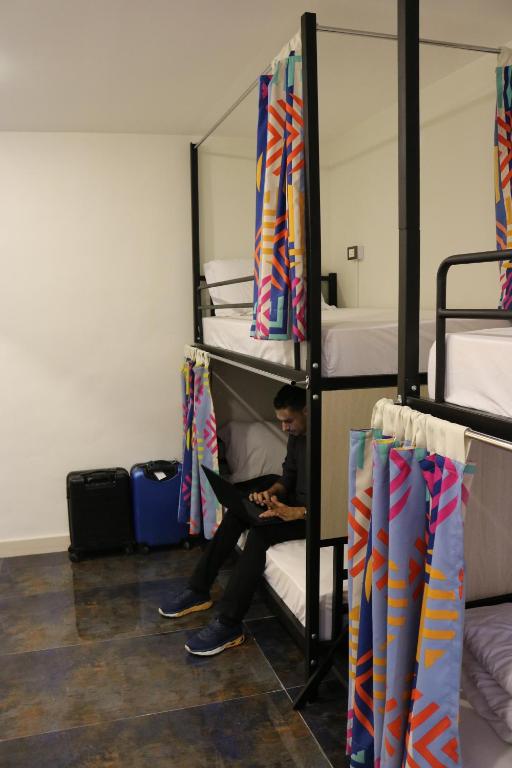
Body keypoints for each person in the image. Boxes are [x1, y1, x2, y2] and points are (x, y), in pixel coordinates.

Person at [159, 384, 308, 656]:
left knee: (260, 534)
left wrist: (295, 513)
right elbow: (288, 476)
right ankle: (199, 589)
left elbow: (338, 501)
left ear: (307, 411)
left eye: (289, 421)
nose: (285, 428)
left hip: (315, 516)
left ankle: (229, 624)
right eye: (282, 422)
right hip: (296, 503)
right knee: (241, 507)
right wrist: (272, 493)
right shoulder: (298, 435)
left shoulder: (332, 438)